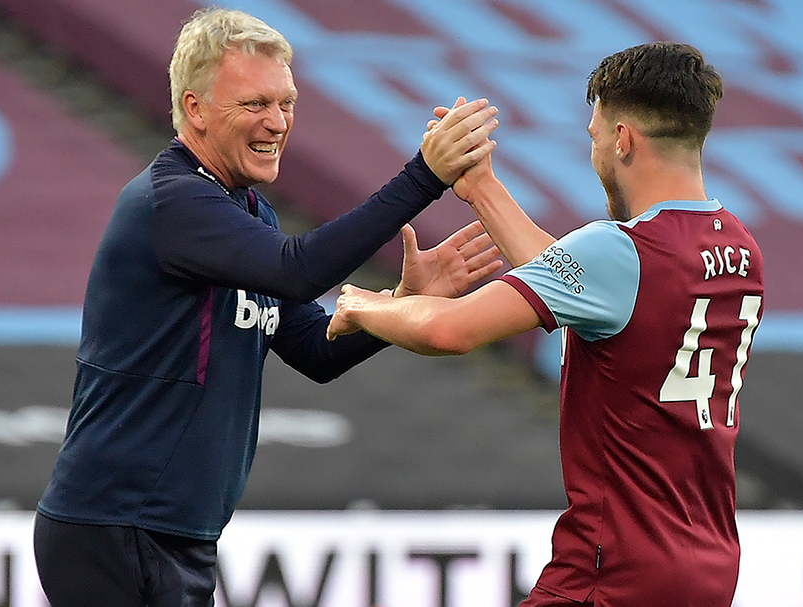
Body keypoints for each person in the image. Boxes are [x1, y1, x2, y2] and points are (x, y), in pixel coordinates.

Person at [32, 7, 502, 607]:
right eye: (255, 104)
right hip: (115, 529)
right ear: (195, 108)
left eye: (287, 103)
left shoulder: (247, 213)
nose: (277, 122)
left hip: (173, 534)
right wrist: (422, 178)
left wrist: (406, 304)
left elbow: (314, 350)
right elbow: (299, 271)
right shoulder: (173, 203)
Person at [328, 42, 764, 606]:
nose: (596, 149)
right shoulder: (738, 245)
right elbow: (588, 288)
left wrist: (361, 304)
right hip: (708, 567)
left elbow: (451, 330)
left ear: (623, 139)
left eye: (594, 135)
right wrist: (481, 187)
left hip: (614, 571)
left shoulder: (623, 251)